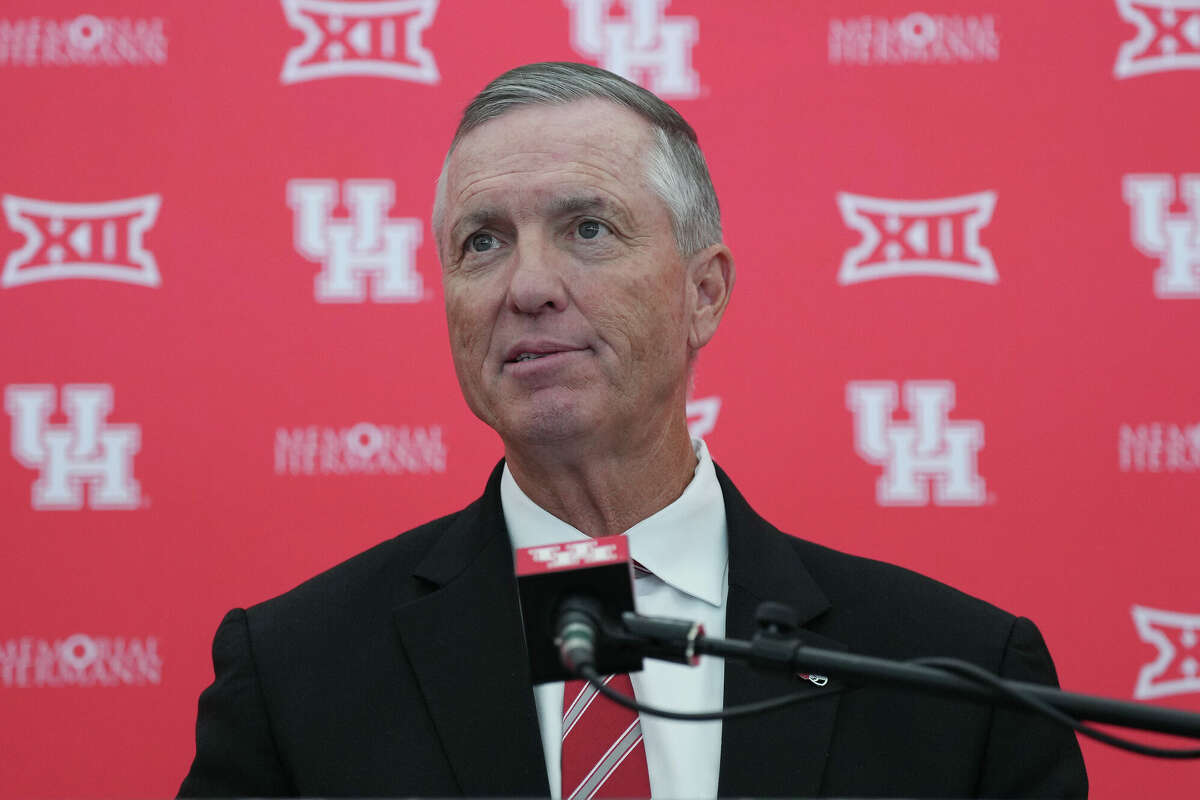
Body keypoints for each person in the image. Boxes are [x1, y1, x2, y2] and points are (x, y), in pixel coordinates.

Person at [179, 62, 1087, 798]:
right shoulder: (297, 677)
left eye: (587, 228)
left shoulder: (957, 679)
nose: (526, 285)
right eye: (482, 242)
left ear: (705, 292)